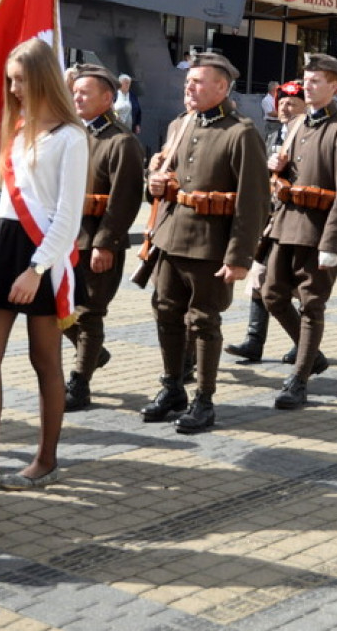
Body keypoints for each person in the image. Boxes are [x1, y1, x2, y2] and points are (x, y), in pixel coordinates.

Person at [0, 38, 87, 493]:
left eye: (21, 79)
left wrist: (37, 268)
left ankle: (46, 459)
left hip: (41, 252)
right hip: (3, 245)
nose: (15, 88)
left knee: (44, 358)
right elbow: (2, 200)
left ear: (43, 77)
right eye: (11, 80)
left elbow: (68, 214)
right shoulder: (18, 128)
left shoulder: (71, 136)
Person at [140, 52, 267, 433]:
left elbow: (254, 201)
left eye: (198, 82)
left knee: (204, 322)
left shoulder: (240, 132)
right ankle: (173, 387)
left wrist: (240, 256)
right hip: (170, 237)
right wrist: (155, 185)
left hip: (210, 245)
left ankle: (204, 400)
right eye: (188, 82)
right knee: (164, 312)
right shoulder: (180, 124)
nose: (189, 87)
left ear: (222, 87)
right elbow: (165, 181)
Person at [262, 54, 337, 409]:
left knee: (311, 305)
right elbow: (286, 181)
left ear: (335, 86)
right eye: (306, 80)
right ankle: (313, 356)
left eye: (316, 81)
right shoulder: (297, 125)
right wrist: (277, 169)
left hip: (317, 231)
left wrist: (333, 242)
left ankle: (299, 377)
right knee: (272, 295)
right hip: (285, 226)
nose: (308, 86)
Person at [63, 63, 144, 411]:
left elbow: (124, 200)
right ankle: (93, 351)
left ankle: (79, 384)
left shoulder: (121, 141)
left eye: (85, 92)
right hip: (66, 238)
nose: (77, 97)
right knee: (58, 311)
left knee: (89, 313)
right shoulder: (74, 134)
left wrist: (105, 243)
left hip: (96, 240)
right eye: (75, 92)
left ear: (108, 98)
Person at [225, 80, 307, 364]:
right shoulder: (272, 136)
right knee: (259, 279)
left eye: (292, 103)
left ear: (305, 107)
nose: (285, 107)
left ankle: (306, 345)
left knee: (297, 287)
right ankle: (254, 340)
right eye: (281, 102)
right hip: (271, 221)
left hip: (299, 223)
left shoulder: (309, 137)